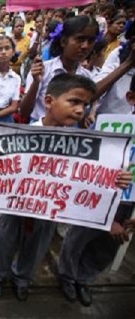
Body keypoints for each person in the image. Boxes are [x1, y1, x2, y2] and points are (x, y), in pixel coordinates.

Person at [0, 73, 99, 302]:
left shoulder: (83, 143)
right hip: (15, 205)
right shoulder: (21, 134)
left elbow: (92, 176)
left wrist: (115, 180)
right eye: (74, 101)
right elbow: (2, 167)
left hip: (51, 207)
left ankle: (22, 279)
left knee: (38, 245)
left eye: (85, 105)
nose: (80, 110)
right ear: (48, 101)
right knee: (5, 239)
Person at [57, 74, 135, 307]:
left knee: (109, 245)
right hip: (98, 200)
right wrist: (106, 218)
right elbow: (91, 174)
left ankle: (85, 278)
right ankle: (67, 276)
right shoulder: (111, 130)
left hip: (128, 207)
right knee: (79, 238)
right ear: (131, 98)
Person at [20, 16, 98, 122]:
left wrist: (90, 114)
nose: (85, 46)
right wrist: (36, 83)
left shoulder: (87, 76)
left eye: (91, 41)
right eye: (80, 39)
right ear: (63, 41)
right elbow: (24, 112)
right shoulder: (43, 70)